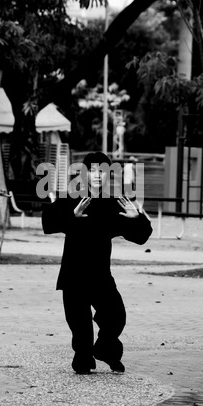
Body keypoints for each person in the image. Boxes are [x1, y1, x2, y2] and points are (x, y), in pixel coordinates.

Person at [42, 152, 152, 375]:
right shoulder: (71, 197)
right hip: (73, 275)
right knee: (80, 327)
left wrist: (137, 218)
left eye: (102, 171)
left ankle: (106, 350)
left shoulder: (112, 203)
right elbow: (48, 222)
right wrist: (71, 217)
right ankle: (83, 359)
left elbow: (141, 236)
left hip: (100, 275)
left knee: (116, 316)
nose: (97, 175)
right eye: (93, 170)